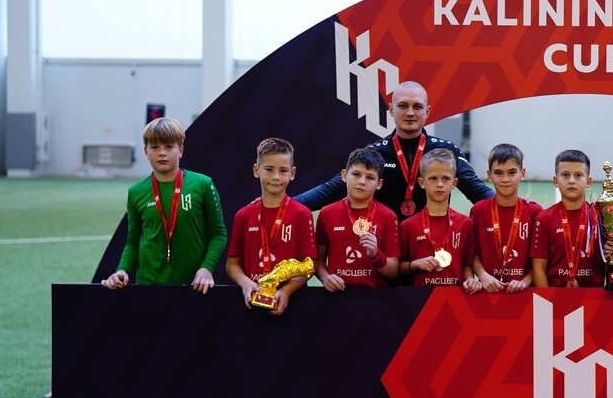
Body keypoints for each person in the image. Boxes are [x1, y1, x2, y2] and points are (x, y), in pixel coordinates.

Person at [296, 81, 493, 219]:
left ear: (427, 111)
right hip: (385, 249)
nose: (410, 113)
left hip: (429, 247)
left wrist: (511, 206)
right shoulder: (374, 153)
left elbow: (476, 190)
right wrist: (288, 206)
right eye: (403, 106)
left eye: (417, 107)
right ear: (391, 109)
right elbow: (331, 190)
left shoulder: (446, 151)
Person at [101, 117, 227, 292]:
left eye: (168, 147)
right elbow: (133, 241)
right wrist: (122, 269)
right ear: (146, 152)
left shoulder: (203, 184)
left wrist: (206, 268)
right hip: (148, 286)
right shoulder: (136, 191)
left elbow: (218, 234)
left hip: (194, 286)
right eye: (154, 147)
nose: (162, 153)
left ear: (180, 150)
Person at [225, 137, 317, 315]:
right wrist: (245, 283)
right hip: (250, 302)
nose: (276, 177)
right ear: (256, 170)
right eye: (269, 169)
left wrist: (287, 290)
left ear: (292, 173)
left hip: (292, 304)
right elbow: (232, 265)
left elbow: (310, 265)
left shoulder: (302, 214)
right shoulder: (243, 215)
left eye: (283, 170)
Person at [314, 148, 400, 290]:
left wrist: (376, 255)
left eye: (370, 177)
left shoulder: (388, 216)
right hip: (337, 296)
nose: (362, 181)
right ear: (344, 175)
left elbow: (393, 272)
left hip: (376, 297)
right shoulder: (327, 213)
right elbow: (318, 261)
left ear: (379, 184)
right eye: (356, 174)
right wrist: (325, 277)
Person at [398, 148, 478, 290]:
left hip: (456, 298)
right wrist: (415, 264)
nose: (440, 184)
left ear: (454, 183)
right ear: (421, 182)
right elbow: (398, 268)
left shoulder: (466, 224)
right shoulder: (407, 226)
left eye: (446, 178)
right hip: (420, 299)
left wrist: (470, 280)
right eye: (433, 178)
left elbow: (467, 266)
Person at [470, 143, 543, 293]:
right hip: (488, 291)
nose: (505, 179)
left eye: (512, 172)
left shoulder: (535, 212)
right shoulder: (478, 211)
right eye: (498, 173)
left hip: (524, 293)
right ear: (489, 175)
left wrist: (525, 282)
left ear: (522, 173)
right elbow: (473, 255)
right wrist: (483, 276)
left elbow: (540, 260)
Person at [531, 150, 604, 288]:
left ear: (588, 181)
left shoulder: (599, 216)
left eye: (578, 175)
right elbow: (538, 267)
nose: (571, 180)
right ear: (555, 180)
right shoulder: (544, 218)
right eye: (565, 175)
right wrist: (547, 298)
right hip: (555, 296)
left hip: (594, 297)